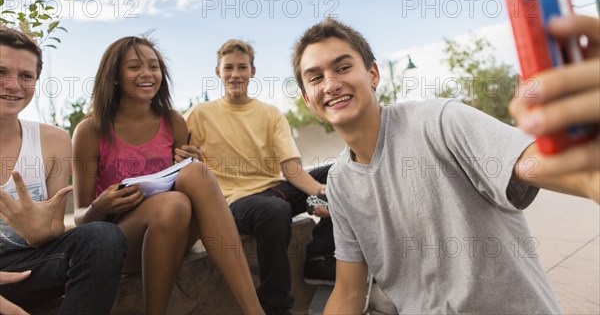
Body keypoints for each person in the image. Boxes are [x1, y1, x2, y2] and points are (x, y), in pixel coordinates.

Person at [291, 16, 599, 313]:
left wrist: (588, 171)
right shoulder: (342, 183)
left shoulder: (439, 121)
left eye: (343, 67)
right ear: (308, 98)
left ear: (373, 74)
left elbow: (547, 167)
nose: (330, 84)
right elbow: (349, 291)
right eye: (316, 78)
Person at [72, 36, 264, 314]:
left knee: (195, 173)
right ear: (113, 76)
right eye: (134, 67)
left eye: (153, 66)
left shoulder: (173, 121)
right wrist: (100, 205)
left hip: (177, 236)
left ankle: (254, 310)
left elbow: (190, 184)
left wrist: (193, 164)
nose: (147, 74)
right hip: (122, 246)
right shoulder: (91, 131)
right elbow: (80, 218)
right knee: (172, 204)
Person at [181, 39, 335, 315]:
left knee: (338, 172)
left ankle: (320, 254)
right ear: (218, 72)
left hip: (274, 189)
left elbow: (290, 168)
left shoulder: (271, 114)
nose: (235, 74)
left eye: (242, 67)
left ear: (253, 71)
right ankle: (276, 305)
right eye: (228, 68)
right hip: (232, 201)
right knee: (273, 210)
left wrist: (319, 191)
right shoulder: (199, 114)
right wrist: (185, 158)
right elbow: (176, 155)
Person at [0, 27, 127, 314]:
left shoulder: (54, 140)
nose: (12, 85)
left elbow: (54, 229)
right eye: (1, 71)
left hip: (26, 269)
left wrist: (37, 232)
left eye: (25, 76)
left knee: (103, 237)